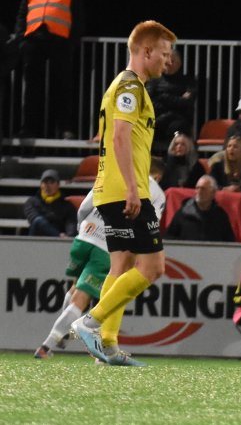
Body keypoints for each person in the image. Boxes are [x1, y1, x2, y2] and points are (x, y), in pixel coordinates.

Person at [71, 20, 177, 367]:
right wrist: (133, 188)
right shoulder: (130, 86)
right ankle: (90, 322)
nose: (168, 60)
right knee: (153, 267)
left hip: (111, 189)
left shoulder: (124, 85)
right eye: (164, 53)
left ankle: (108, 347)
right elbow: (119, 136)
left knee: (122, 265)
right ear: (146, 51)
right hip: (125, 189)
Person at [35, 174, 166, 359]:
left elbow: (84, 206)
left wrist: (82, 229)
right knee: (81, 298)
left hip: (83, 238)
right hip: (105, 247)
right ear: (158, 175)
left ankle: (63, 336)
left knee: (75, 287)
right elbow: (150, 223)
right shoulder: (154, 191)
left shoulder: (113, 175)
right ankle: (47, 346)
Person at [13, 0, 85, 138]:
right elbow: (22, 14)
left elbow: (78, 19)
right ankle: (29, 128)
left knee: (62, 86)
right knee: (32, 88)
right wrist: (21, 39)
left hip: (59, 42)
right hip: (34, 40)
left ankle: (64, 128)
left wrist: (71, 42)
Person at [146, 50, 198, 153]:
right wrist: (177, 99)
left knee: (178, 127)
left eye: (172, 61)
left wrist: (161, 97)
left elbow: (186, 103)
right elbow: (149, 102)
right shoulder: (153, 81)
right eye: (166, 62)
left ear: (179, 64)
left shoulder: (188, 82)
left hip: (178, 120)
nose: (169, 64)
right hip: (157, 119)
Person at [165, 175, 236, 242]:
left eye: (203, 189)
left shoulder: (220, 216)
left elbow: (229, 241)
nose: (199, 191)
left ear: (213, 193)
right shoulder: (182, 213)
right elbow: (169, 237)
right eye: (197, 188)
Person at [24, 169, 77, 238]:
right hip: (37, 239)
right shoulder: (31, 202)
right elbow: (35, 220)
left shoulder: (67, 205)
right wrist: (58, 235)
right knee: (38, 221)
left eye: (52, 182)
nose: (48, 186)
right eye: (45, 182)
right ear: (41, 185)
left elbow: (71, 224)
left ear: (58, 185)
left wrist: (69, 237)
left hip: (59, 242)